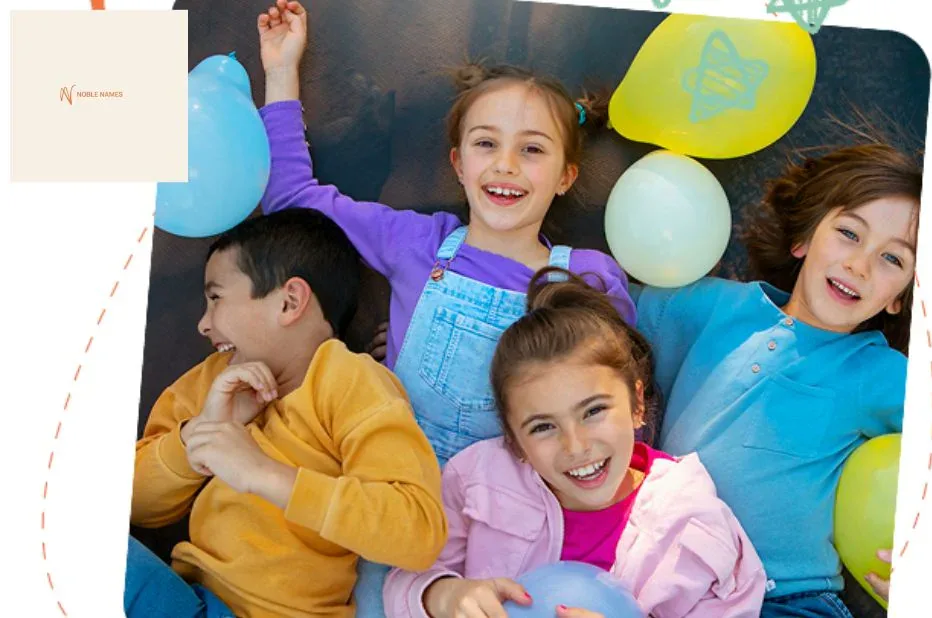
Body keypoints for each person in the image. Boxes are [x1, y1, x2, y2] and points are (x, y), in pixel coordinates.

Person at [257, 2, 637, 613]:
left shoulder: (588, 277)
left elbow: (618, 404)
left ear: (566, 176)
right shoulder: (417, 243)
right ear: (459, 163)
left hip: (515, 526)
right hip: (394, 502)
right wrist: (281, 72)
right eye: (486, 144)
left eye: (532, 150)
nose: (506, 165)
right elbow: (293, 199)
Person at [631, 143, 921, 617]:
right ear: (803, 240)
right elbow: (597, 316)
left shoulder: (876, 371)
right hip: (667, 587)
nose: (860, 264)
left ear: (899, 299)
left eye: (893, 260)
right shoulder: (710, 305)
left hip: (786, 597)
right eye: (849, 233)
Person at [384, 267, 766, 618]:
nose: (576, 445)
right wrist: (443, 595)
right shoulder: (476, 480)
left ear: (636, 405)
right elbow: (408, 576)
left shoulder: (690, 517)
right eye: (542, 427)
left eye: (593, 411)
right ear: (515, 441)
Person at [126, 209, 447, 618]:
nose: (203, 324)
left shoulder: (349, 380)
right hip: (191, 600)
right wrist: (202, 433)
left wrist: (262, 473)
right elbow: (131, 504)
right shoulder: (214, 379)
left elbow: (417, 531)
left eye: (216, 298)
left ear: (290, 302)